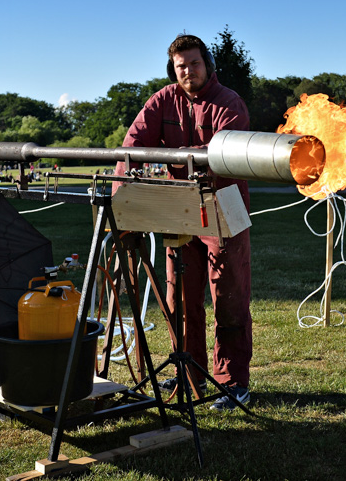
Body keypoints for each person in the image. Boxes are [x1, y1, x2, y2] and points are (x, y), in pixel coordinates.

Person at [114, 34, 252, 411]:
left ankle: (233, 382)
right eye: (180, 66)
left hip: (224, 207)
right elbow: (132, 145)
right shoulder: (162, 100)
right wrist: (120, 200)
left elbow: (223, 151)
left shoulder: (229, 102)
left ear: (207, 65)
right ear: (172, 70)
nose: (188, 71)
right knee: (179, 300)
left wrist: (175, 155)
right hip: (180, 209)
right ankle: (189, 373)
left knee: (229, 299)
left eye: (194, 63)